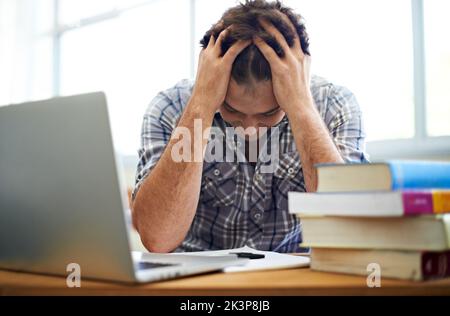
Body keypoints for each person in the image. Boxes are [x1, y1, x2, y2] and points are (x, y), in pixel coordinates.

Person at [131, 0, 368, 253]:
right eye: (232, 110)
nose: (250, 129)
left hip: (299, 284)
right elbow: (157, 238)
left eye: (268, 113)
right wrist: (201, 105)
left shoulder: (334, 105)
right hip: (199, 287)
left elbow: (347, 227)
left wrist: (301, 107)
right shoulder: (170, 107)